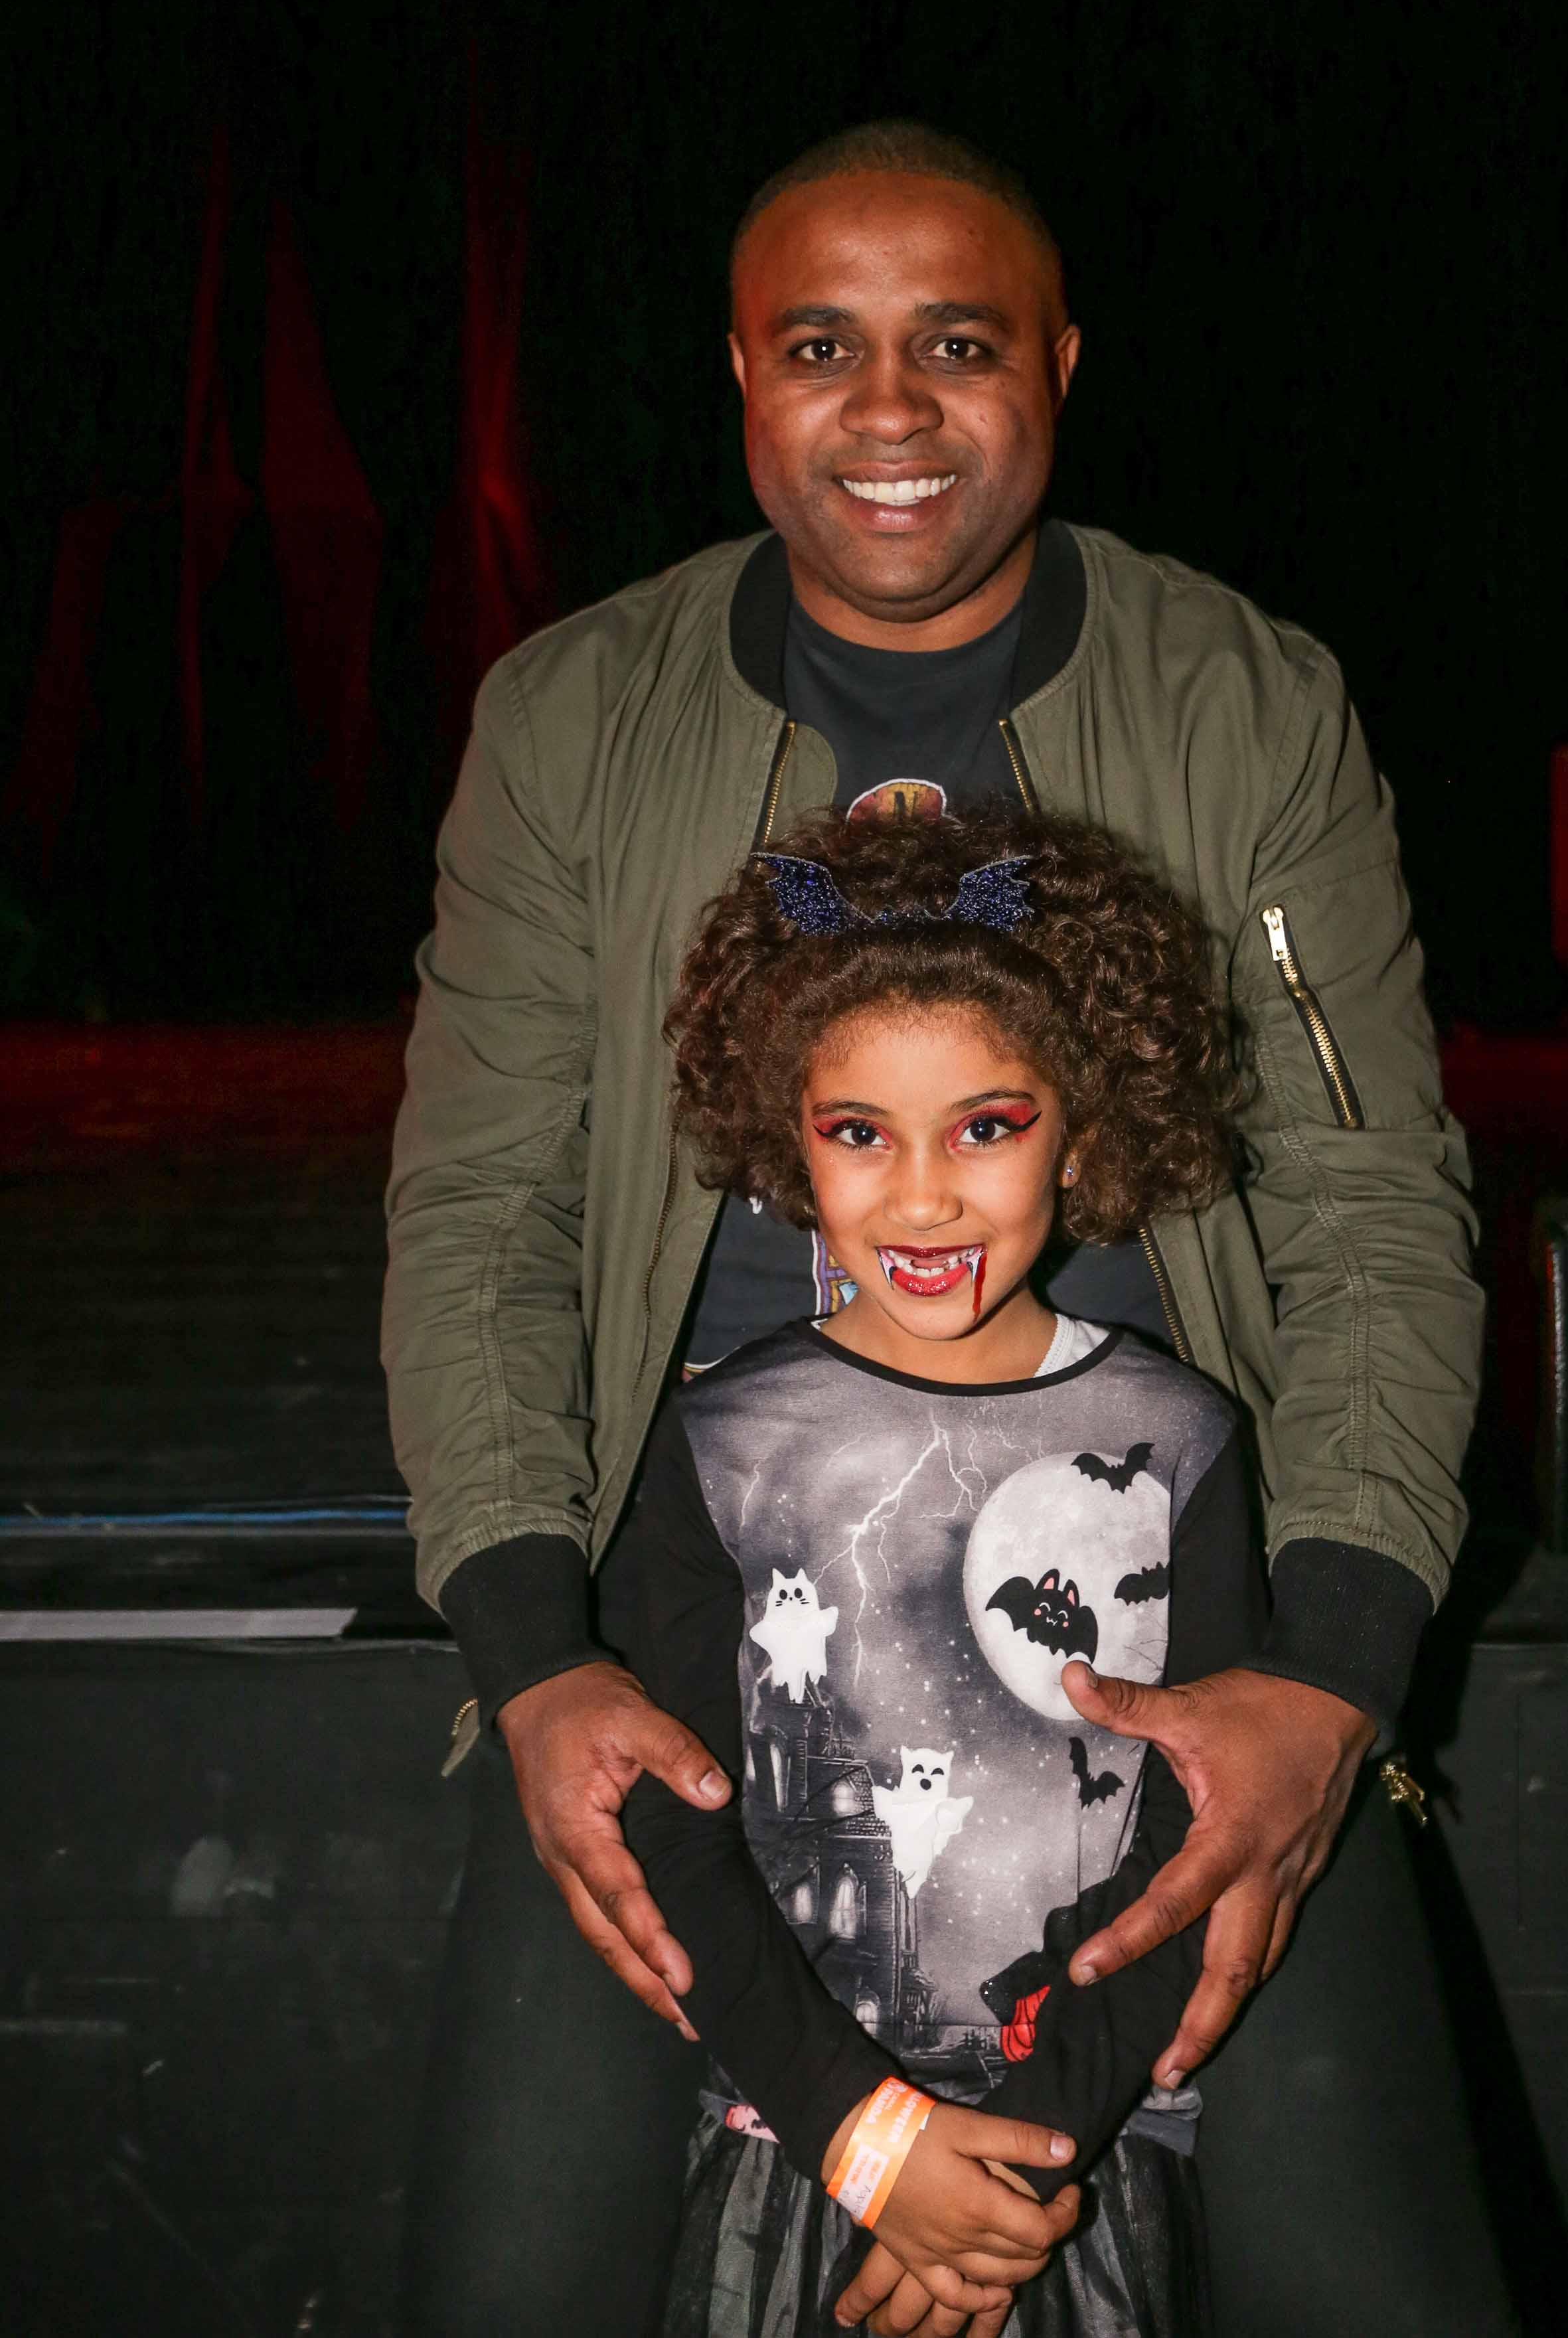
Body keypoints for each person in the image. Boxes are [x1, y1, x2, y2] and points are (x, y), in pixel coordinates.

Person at [387, 123, 1508, 2335]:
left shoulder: (1240, 696)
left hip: (1179, 1608)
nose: (888, 408)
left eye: (959, 345)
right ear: (741, 372)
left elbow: (1378, 1204)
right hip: (700, 1608)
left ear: (1058, 366)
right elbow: (482, 1205)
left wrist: (1327, 1674)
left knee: (1383, 2282)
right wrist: (534, 1655)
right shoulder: (575, 716)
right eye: (822, 346)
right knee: (504, 2281)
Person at [610, 799, 1259, 2338]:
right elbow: (675, 1827)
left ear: (1081, 1131)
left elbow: (1200, 1835)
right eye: (858, 1132)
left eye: (984, 1125)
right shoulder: (712, 1441)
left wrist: (1020, 2158)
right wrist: (869, 2135)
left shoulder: (1181, 1439)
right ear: (786, 1138)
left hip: (1079, 2158)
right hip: (793, 2147)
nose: (919, 1196)